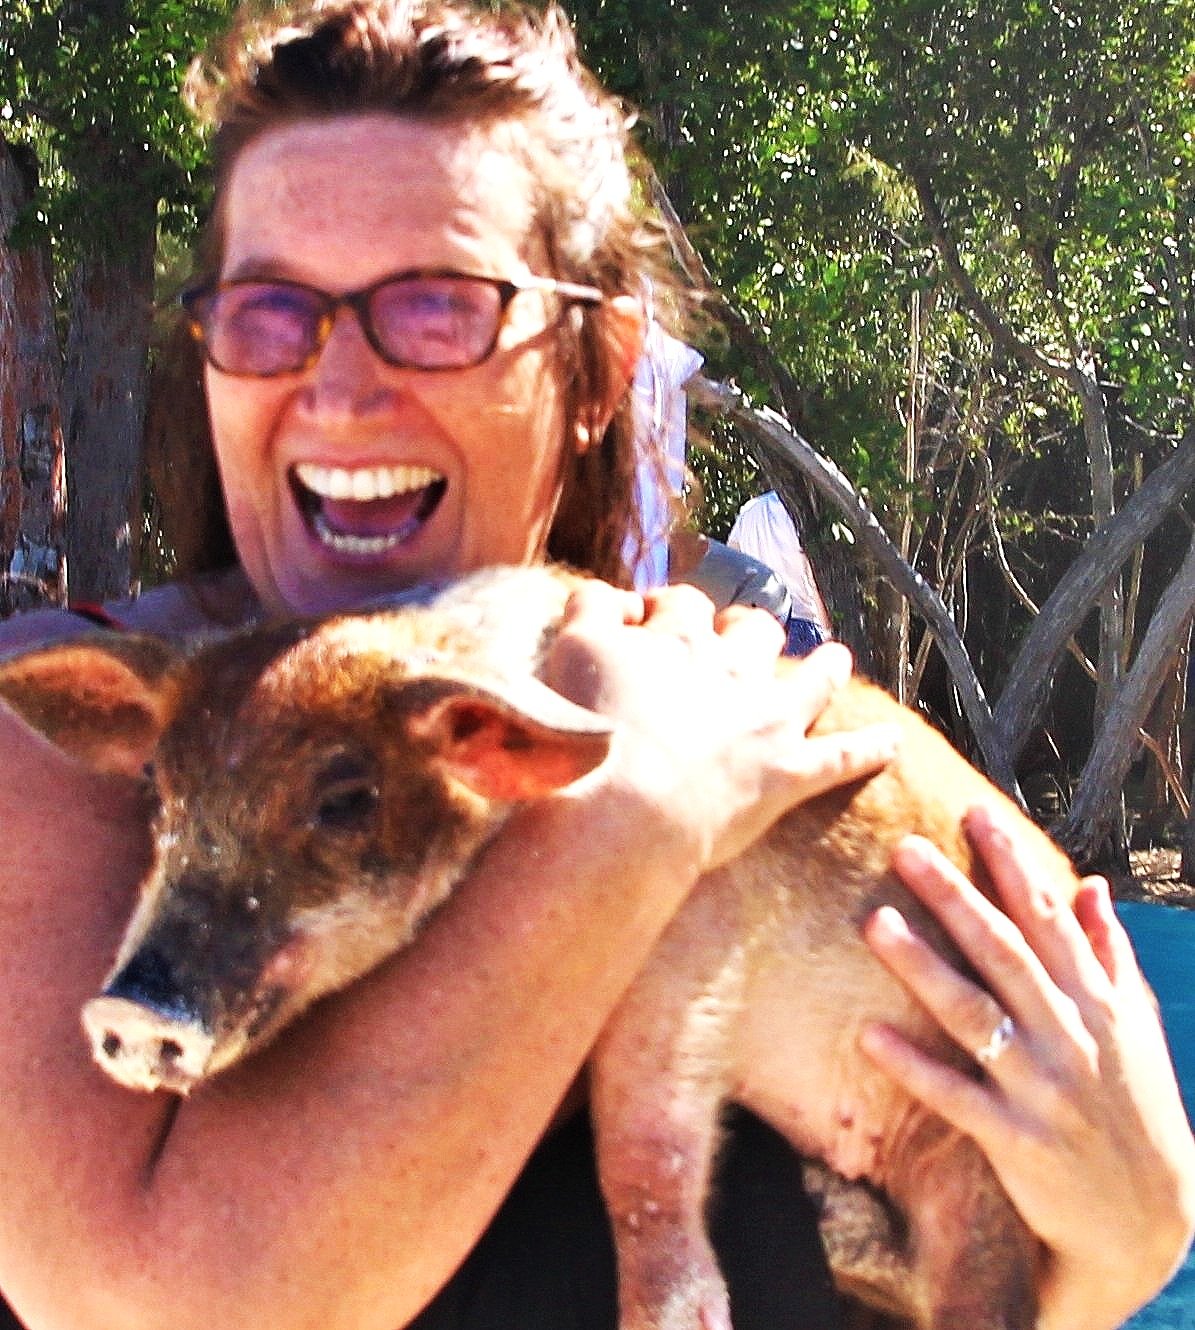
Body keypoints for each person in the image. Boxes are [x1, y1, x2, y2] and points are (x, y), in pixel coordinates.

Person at [0, 4, 1190, 1330]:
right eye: (272, 312)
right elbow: (147, 1305)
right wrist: (637, 818)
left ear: (595, 371)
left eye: (437, 307)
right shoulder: (49, 737)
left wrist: (1126, 1231)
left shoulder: (750, 708)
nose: (339, 387)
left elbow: (1027, 1208)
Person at [728, 490, 833, 656]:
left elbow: (733, 563)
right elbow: (814, 578)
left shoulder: (750, 510)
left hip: (757, 628)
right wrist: (828, 634)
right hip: (801, 625)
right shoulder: (802, 514)